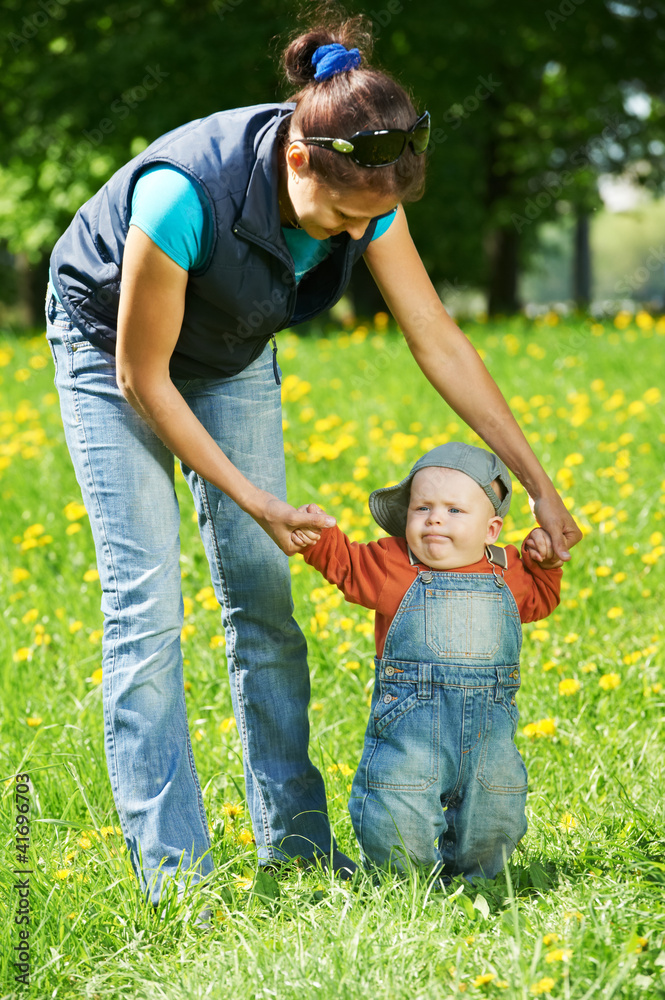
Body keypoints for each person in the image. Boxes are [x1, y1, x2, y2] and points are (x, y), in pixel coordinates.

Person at [45, 10, 580, 910]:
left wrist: (535, 480)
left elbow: (436, 338)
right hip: (113, 357)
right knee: (146, 611)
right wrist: (253, 497)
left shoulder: (364, 187)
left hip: (229, 347)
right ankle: (177, 878)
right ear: (299, 160)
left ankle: (295, 848)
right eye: (337, 217)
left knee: (264, 600)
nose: (348, 235)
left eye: (366, 223)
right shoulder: (185, 195)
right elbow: (145, 380)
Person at [296, 442, 563, 879]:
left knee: (497, 814)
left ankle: (481, 883)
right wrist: (317, 536)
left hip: (490, 739)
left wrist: (546, 565)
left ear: (491, 530)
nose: (435, 518)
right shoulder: (391, 564)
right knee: (395, 811)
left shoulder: (510, 573)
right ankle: (404, 884)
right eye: (422, 508)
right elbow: (343, 563)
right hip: (410, 735)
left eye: (455, 511)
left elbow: (542, 599)